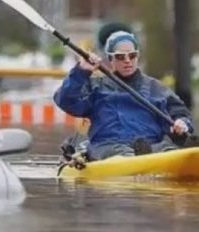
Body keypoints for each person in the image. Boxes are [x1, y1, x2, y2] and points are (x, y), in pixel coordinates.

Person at [53, 30, 194, 161]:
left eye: (132, 55)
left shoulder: (156, 88)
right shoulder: (95, 86)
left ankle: (152, 154)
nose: (127, 60)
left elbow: (180, 113)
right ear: (110, 59)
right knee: (120, 151)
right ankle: (137, 157)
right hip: (108, 147)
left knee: (165, 148)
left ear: (137, 56)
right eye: (120, 57)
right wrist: (81, 71)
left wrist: (182, 124)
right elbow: (65, 100)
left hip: (151, 148)